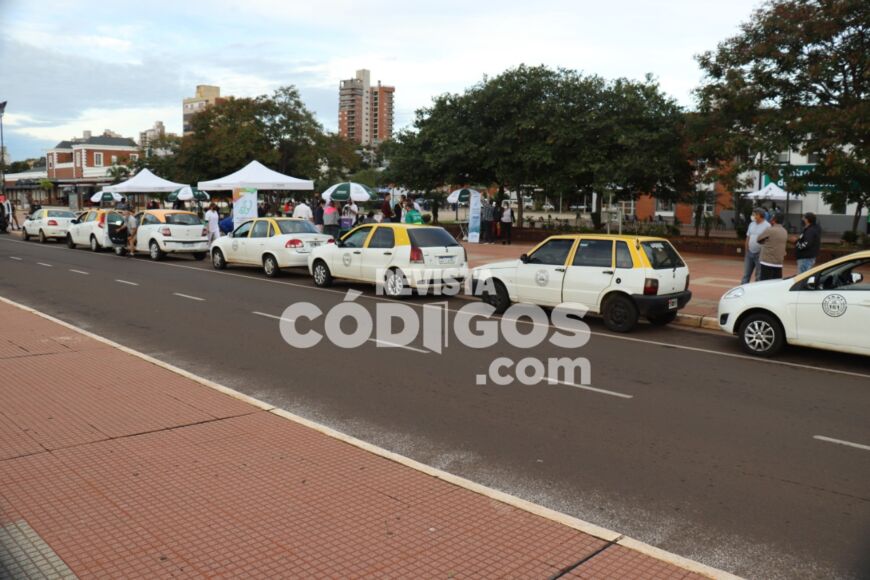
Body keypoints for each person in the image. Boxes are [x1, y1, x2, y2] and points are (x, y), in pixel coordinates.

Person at [741, 208, 770, 284]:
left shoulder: (767, 226)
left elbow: (768, 240)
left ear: (760, 215)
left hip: (760, 254)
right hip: (749, 253)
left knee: (759, 275)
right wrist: (746, 250)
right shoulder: (751, 224)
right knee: (746, 274)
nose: (753, 216)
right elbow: (748, 237)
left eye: (755, 214)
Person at [756, 211, 787, 280]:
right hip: (779, 262)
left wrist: (765, 241)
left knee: (764, 283)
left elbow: (759, 239)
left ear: (774, 220)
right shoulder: (784, 231)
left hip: (767, 262)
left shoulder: (770, 230)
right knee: (775, 283)